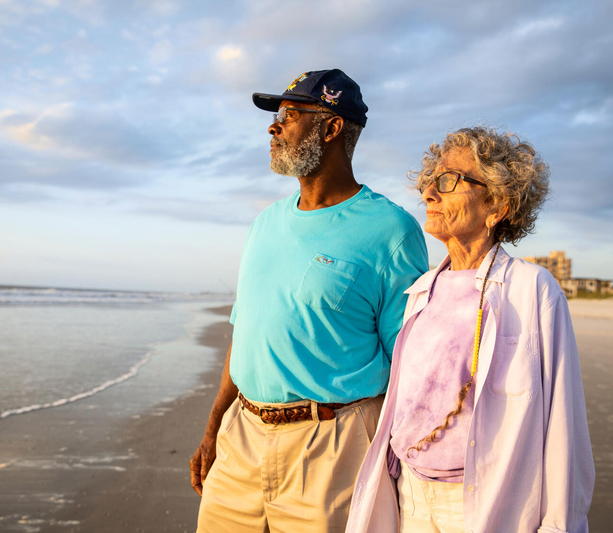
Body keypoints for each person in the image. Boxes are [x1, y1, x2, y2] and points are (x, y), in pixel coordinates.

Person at [189, 69, 429, 532]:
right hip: (240, 440)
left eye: (291, 114)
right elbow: (247, 335)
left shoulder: (390, 232)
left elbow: (410, 363)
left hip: (332, 450)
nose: (273, 126)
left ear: (332, 127)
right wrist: (213, 427)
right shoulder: (265, 223)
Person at [346, 126, 595, 533]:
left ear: (496, 203)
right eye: (429, 181)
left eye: (447, 181)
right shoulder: (421, 291)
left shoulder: (531, 289)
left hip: (478, 503)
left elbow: (564, 428)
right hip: (409, 494)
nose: (428, 192)